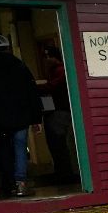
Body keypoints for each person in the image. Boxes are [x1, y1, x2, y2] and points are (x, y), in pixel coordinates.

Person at [0, 33, 44, 198]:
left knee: (3, 149)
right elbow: (31, 92)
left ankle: (7, 184)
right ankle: (21, 184)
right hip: (20, 118)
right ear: (7, 48)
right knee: (20, 148)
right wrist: (36, 118)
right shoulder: (18, 65)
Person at [37, 41, 78, 184]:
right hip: (57, 111)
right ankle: (63, 172)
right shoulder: (55, 71)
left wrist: (37, 87)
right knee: (57, 144)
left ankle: (65, 174)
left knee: (58, 143)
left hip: (59, 112)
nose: (45, 60)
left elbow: (52, 87)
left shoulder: (60, 70)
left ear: (54, 57)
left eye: (47, 57)